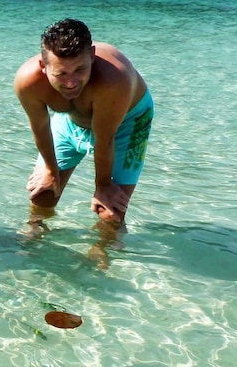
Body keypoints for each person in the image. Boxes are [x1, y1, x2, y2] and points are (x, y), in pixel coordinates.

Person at [14, 18, 153, 248]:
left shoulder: (112, 81)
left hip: (127, 124)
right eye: (61, 74)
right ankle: (34, 240)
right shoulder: (28, 82)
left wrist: (103, 185)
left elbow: (105, 139)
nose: (71, 83)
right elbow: (39, 127)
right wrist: (50, 169)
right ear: (43, 66)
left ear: (93, 55)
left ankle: (102, 256)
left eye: (80, 70)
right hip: (69, 122)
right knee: (44, 193)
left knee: (109, 211)